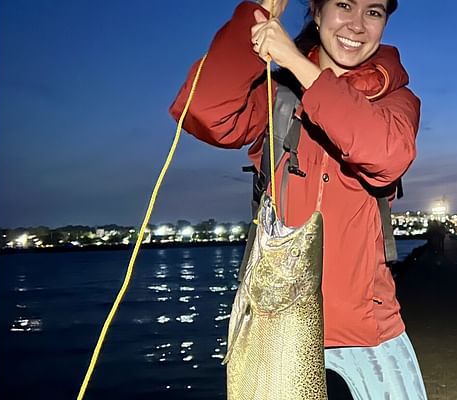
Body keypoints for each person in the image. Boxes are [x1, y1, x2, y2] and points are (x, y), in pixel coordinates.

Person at [168, 0, 426, 398]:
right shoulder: (276, 98)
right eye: (343, 5)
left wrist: (297, 63)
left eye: (373, 12)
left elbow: (387, 155)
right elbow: (205, 111)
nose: (357, 25)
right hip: (273, 323)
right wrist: (256, 17)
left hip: (370, 327)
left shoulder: (396, 100)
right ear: (317, 12)